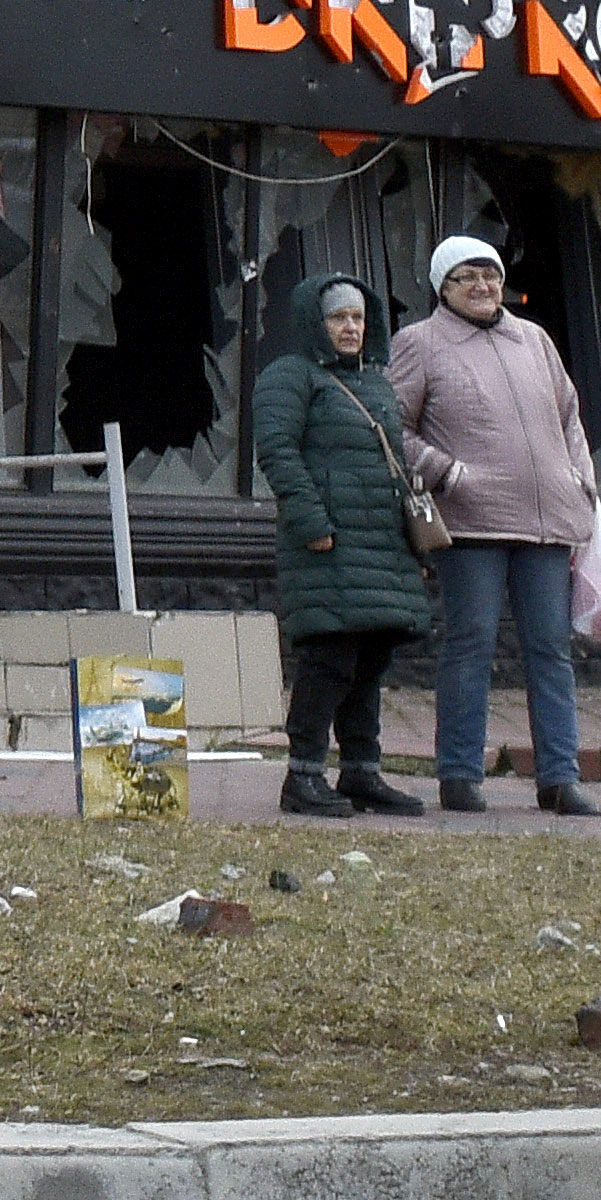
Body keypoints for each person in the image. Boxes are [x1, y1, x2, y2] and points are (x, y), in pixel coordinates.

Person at [383, 231, 601, 814]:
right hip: (470, 526)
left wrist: (582, 482)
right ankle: (459, 775)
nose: (482, 286)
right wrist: (446, 473)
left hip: (547, 524)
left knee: (550, 649)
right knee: (471, 644)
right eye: (466, 277)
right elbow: (391, 429)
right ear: (442, 287)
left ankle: (559, 777)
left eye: (491, 275)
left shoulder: (534, 339)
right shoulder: (419, 343)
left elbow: (571, 419)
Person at [243, 278, 431, 820]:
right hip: (327, 545)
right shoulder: (289, 377)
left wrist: (411, 550)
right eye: (337, 319)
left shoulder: (375, 382)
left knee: (370, 658)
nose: (351, 328)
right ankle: (303, 774)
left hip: (380, 547)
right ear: (314, 324)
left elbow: (393, 467)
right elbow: (277, 451)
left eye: (358, 318)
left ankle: (361, 772)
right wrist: (311, 523)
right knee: (330, 660)